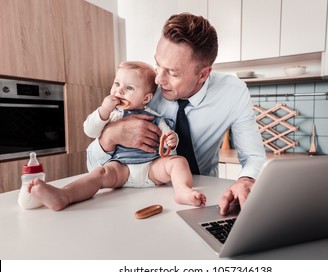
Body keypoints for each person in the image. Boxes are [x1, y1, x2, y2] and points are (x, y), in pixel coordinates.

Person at [86, 13, 266, 215]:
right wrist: (110, 136)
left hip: (203, 195)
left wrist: (246, 180)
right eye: (158, 65)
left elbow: (253, 155)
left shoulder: (233, 92)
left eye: (173, 73)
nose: (158, 80)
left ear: (203, 74)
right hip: (138, 195)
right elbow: (92, 166)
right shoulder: (143, 88)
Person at [27, 61, 206, 211]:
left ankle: (182, 190)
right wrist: (104, 110)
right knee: (100, 173)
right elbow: (90, 131)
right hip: (121, 169)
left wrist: (172, 140)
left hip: (152, 168)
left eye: (129, 88)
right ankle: (64, 195)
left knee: (179, 162)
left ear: (146, 98)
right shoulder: (111, 115)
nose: (119, 91)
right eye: (117, 84)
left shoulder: (155, 116)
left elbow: (168, 140)